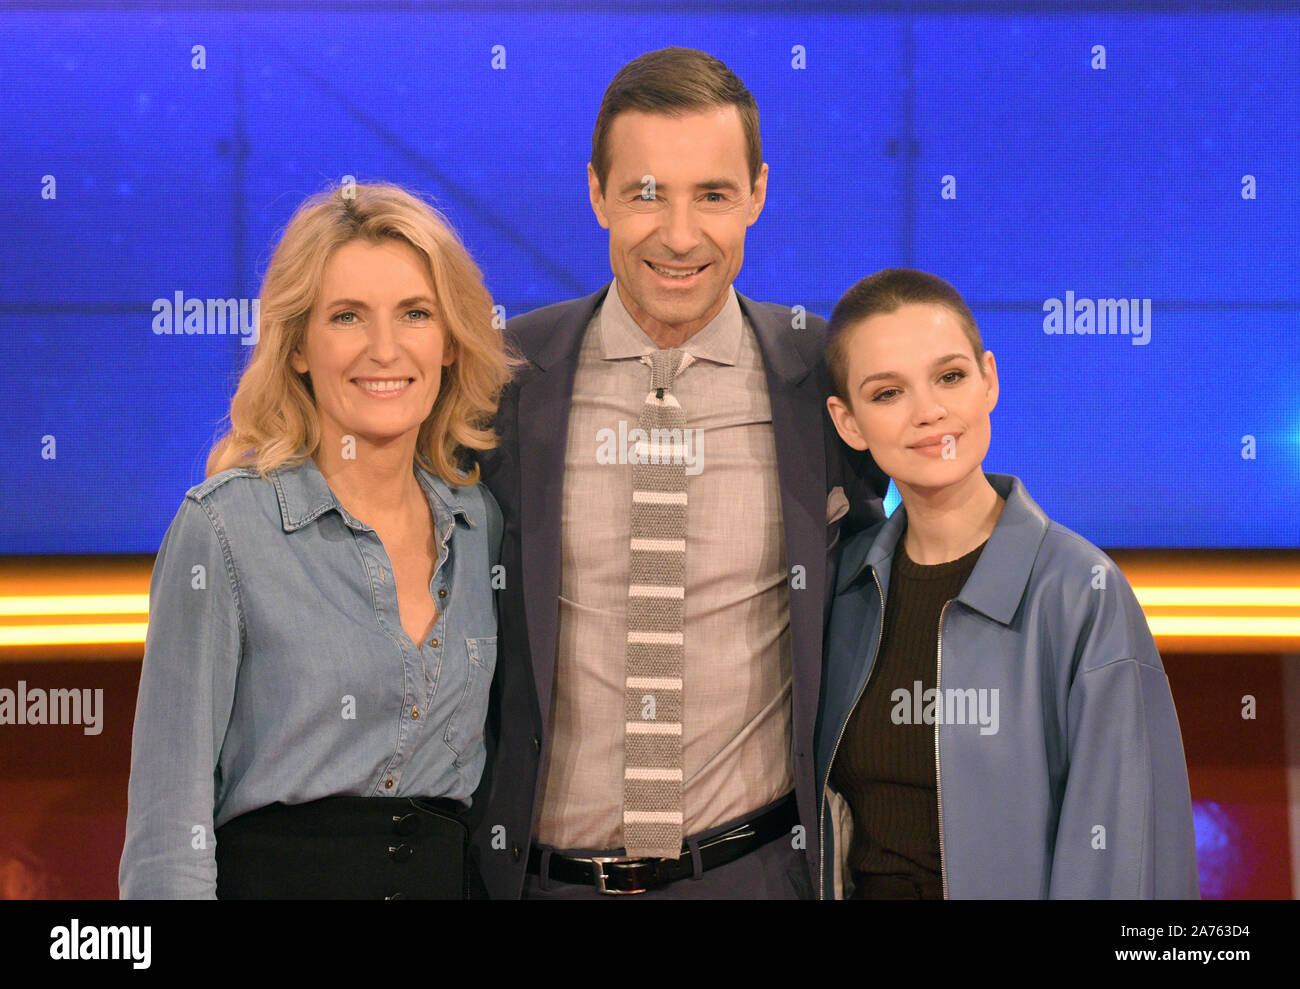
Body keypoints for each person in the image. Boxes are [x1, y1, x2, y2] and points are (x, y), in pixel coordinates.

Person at [474, 47, 887, 899]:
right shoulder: (504, 382)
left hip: (758, 875)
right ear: (596, 193)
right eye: (645, 193)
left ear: (758, 195)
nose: (679, 234)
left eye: (713, 195)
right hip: (543, 883)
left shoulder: (827, 377)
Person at [119, 182, 511, 899]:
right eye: (347, 317)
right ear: (297, 346)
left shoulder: (483, 524)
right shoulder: (224, 530)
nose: (384, 348)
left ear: (451, 341)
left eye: (415, 314)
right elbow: (166, 839)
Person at [816, 268, 1201, 898]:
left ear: (988, 379)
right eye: (888, 393)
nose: (929, 411)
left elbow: (1123, 859)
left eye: (950, 376)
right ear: (848, 422)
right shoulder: (843, 585)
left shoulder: (1081, 593)